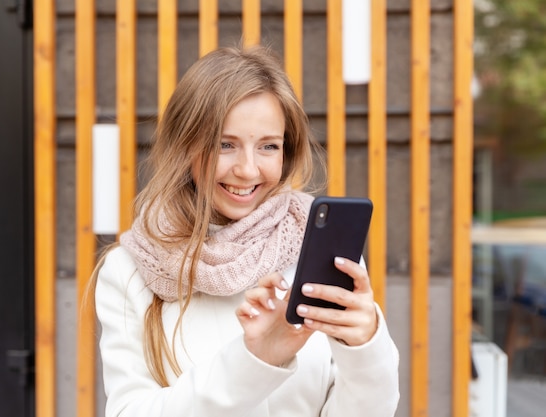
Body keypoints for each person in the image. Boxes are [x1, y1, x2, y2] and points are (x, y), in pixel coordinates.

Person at [94, 44, 400, 417]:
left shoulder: (319, 248)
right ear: (184, 144)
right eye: (225, 144)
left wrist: (366, 345)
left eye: (268, 146)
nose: (248, 170)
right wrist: (255, 360)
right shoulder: (129, 270)